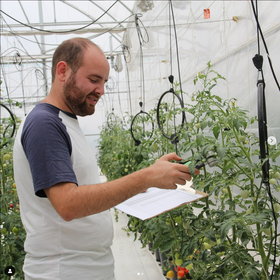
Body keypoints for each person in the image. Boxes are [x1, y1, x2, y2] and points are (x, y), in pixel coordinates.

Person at [13, 37, 193, 280]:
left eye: (104, 81)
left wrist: (149, 181)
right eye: (94, 79)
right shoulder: (45, 124)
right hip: (63, 272)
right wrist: (146, 177)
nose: (101, 90)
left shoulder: (64, 121)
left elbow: (82, 192)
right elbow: (68, 204)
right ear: (63, 71)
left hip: (82, 268)